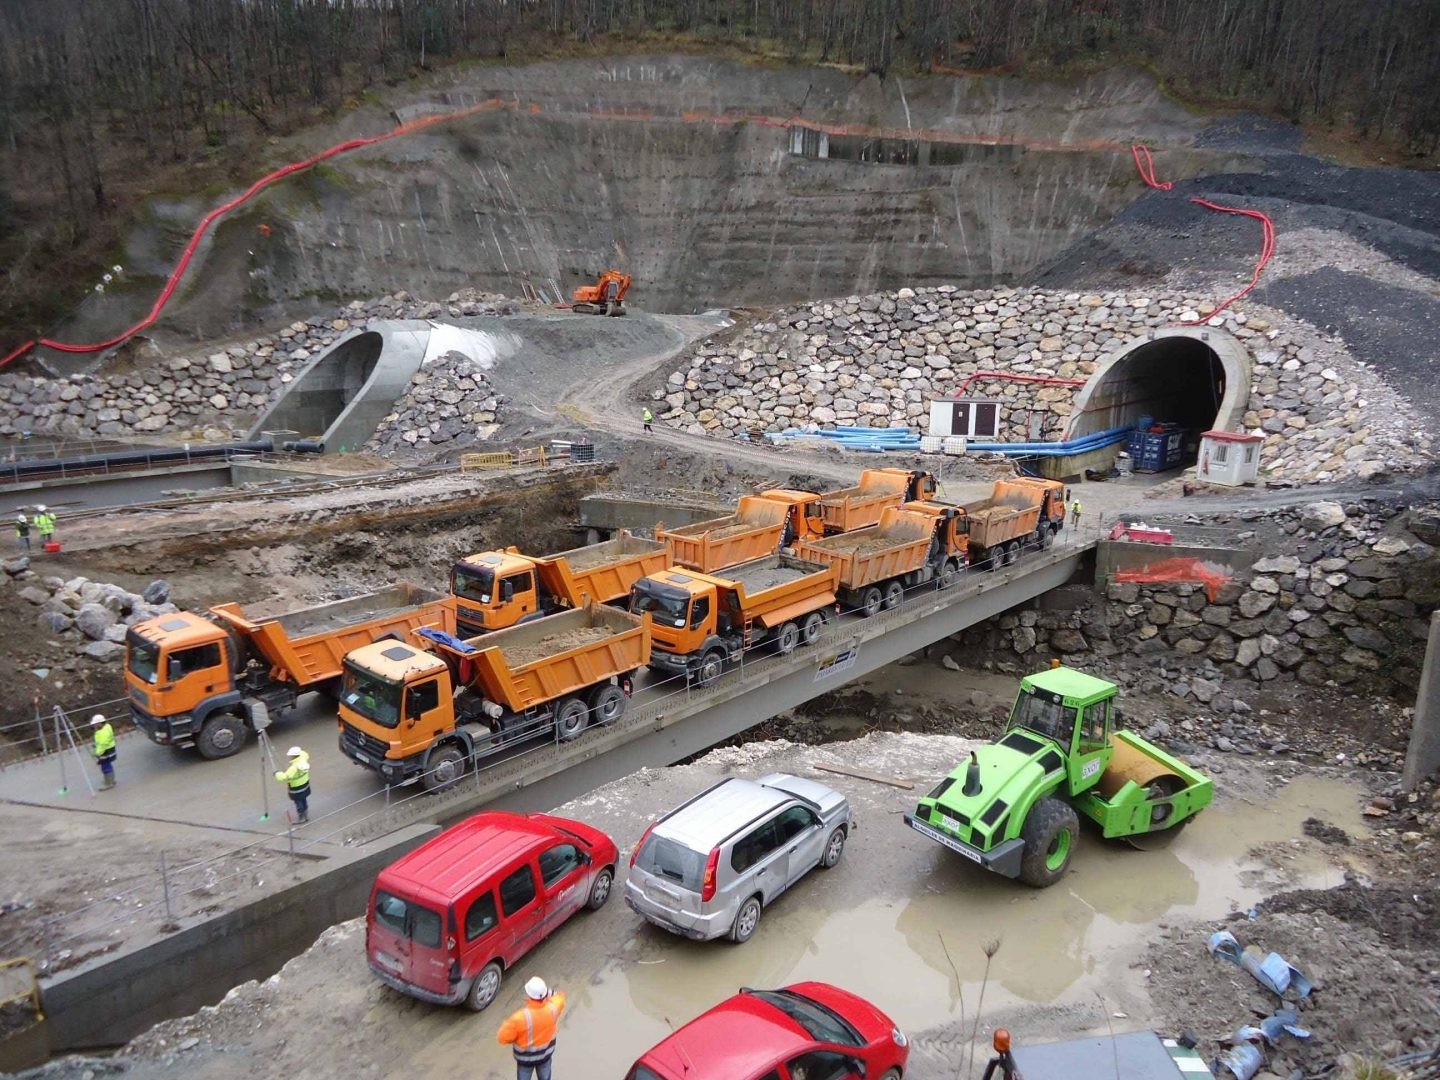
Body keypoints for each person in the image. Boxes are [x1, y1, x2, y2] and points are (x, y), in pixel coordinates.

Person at [497, 976, 566, 1080]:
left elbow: (502, 1038)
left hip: (525, 1060)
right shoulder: (554, 1008)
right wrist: (546, 992)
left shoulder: (519, 1018)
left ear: (528, 996)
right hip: (545, 1056)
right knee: (545, 1077)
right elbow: (560, 996)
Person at [274, 746, 311, 824]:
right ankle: (306, 815)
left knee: (298, 802)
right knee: (304, 800)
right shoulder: (303, 759)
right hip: (305, 785)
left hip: (296, 789)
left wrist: (277, 774)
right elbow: (304, 754)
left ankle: (301, 817)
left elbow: (285, 777)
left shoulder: (294, 768)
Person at [91, 714, 117, 789]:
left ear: (99, 723)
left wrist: (97, 753)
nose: (94, 726)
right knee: (108, 765)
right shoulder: (107, 727)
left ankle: (108, 783)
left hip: (106, 751)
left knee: (105, 767)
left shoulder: (102, 732)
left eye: (95, 724)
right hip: (110, 749)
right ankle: (111, 780)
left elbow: (102, 745)